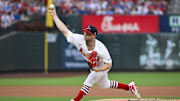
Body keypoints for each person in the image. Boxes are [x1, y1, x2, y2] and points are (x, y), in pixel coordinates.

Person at [49, 5, 141, 101]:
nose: (85, 35)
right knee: (104, 85)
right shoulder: (79, 39)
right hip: (95, 66)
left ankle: (75, 100)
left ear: (93, 36)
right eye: (85, 32)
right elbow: (64, 31)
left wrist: (99, 69)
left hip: (103, 64)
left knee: (89, 80)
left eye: (88, 34)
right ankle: (129, 87)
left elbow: (108, 65)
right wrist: (55, 16)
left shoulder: (101, 48)